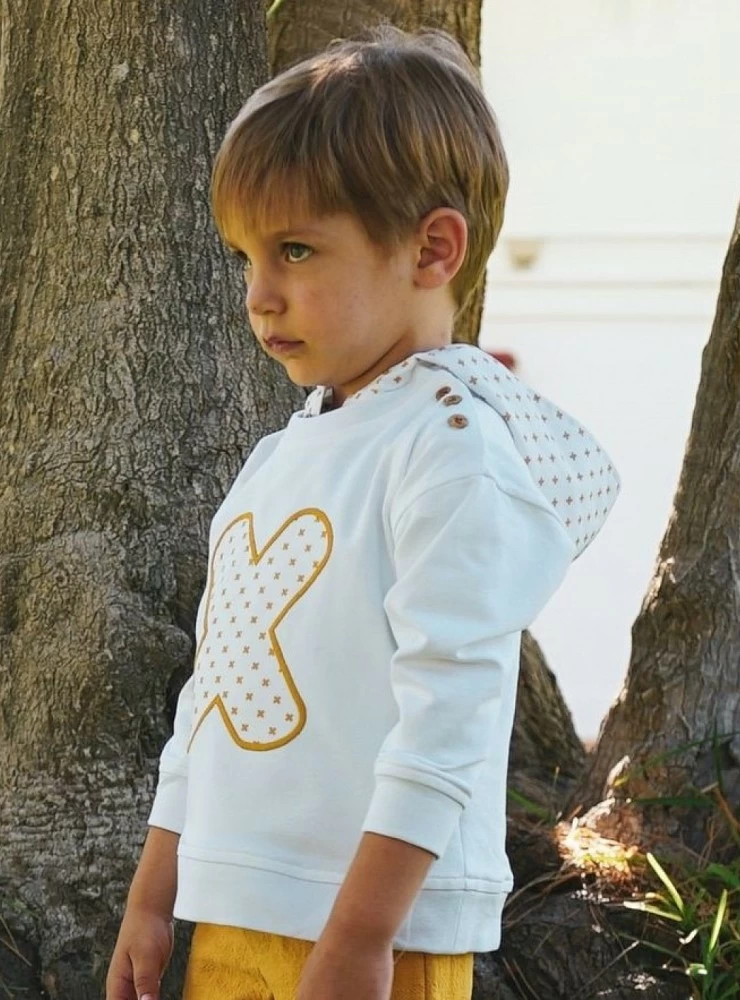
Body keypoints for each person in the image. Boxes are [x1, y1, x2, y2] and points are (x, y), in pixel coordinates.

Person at [106, 24, 620, 1000]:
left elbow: (451, 716)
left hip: (370, 941)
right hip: (238, 914)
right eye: (245, 257)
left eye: (294, 250)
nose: (259, 296)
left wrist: (357, 938)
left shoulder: (451, 446)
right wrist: (154, 892)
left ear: (430, 248)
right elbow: (213, 697)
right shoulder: (282, 453)